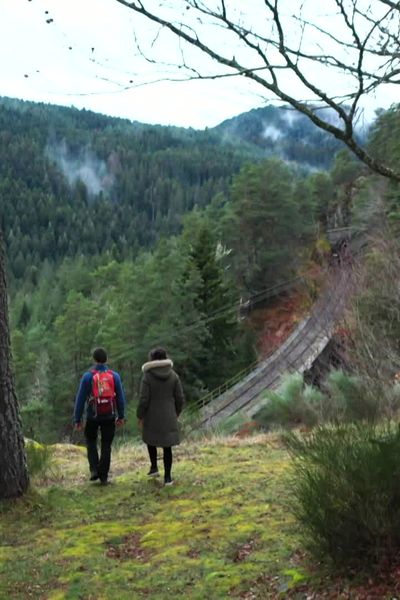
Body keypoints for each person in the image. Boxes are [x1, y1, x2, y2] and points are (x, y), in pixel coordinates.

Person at [74, 347, 126, 485]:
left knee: (91, 442)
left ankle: (94, 470)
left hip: (92, 416)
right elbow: (120, 398)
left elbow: (80, 399)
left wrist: (77, 419)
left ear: (94, 359)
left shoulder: (87, 377)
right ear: (106, 359)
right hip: (109, 415)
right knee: (106, 445)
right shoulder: (114, 376)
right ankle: (103, 475)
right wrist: (121, 416)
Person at [137, 347, 184, 486]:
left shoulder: (148, 376)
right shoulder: (174, 376)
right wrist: (176, 412)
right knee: (167, 446)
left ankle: (153, 467)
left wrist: (140, 414)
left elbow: (144, 399)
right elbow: (180, 398)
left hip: (151, 415)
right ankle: (168, 477)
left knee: (150, 439)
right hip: (169, 414)